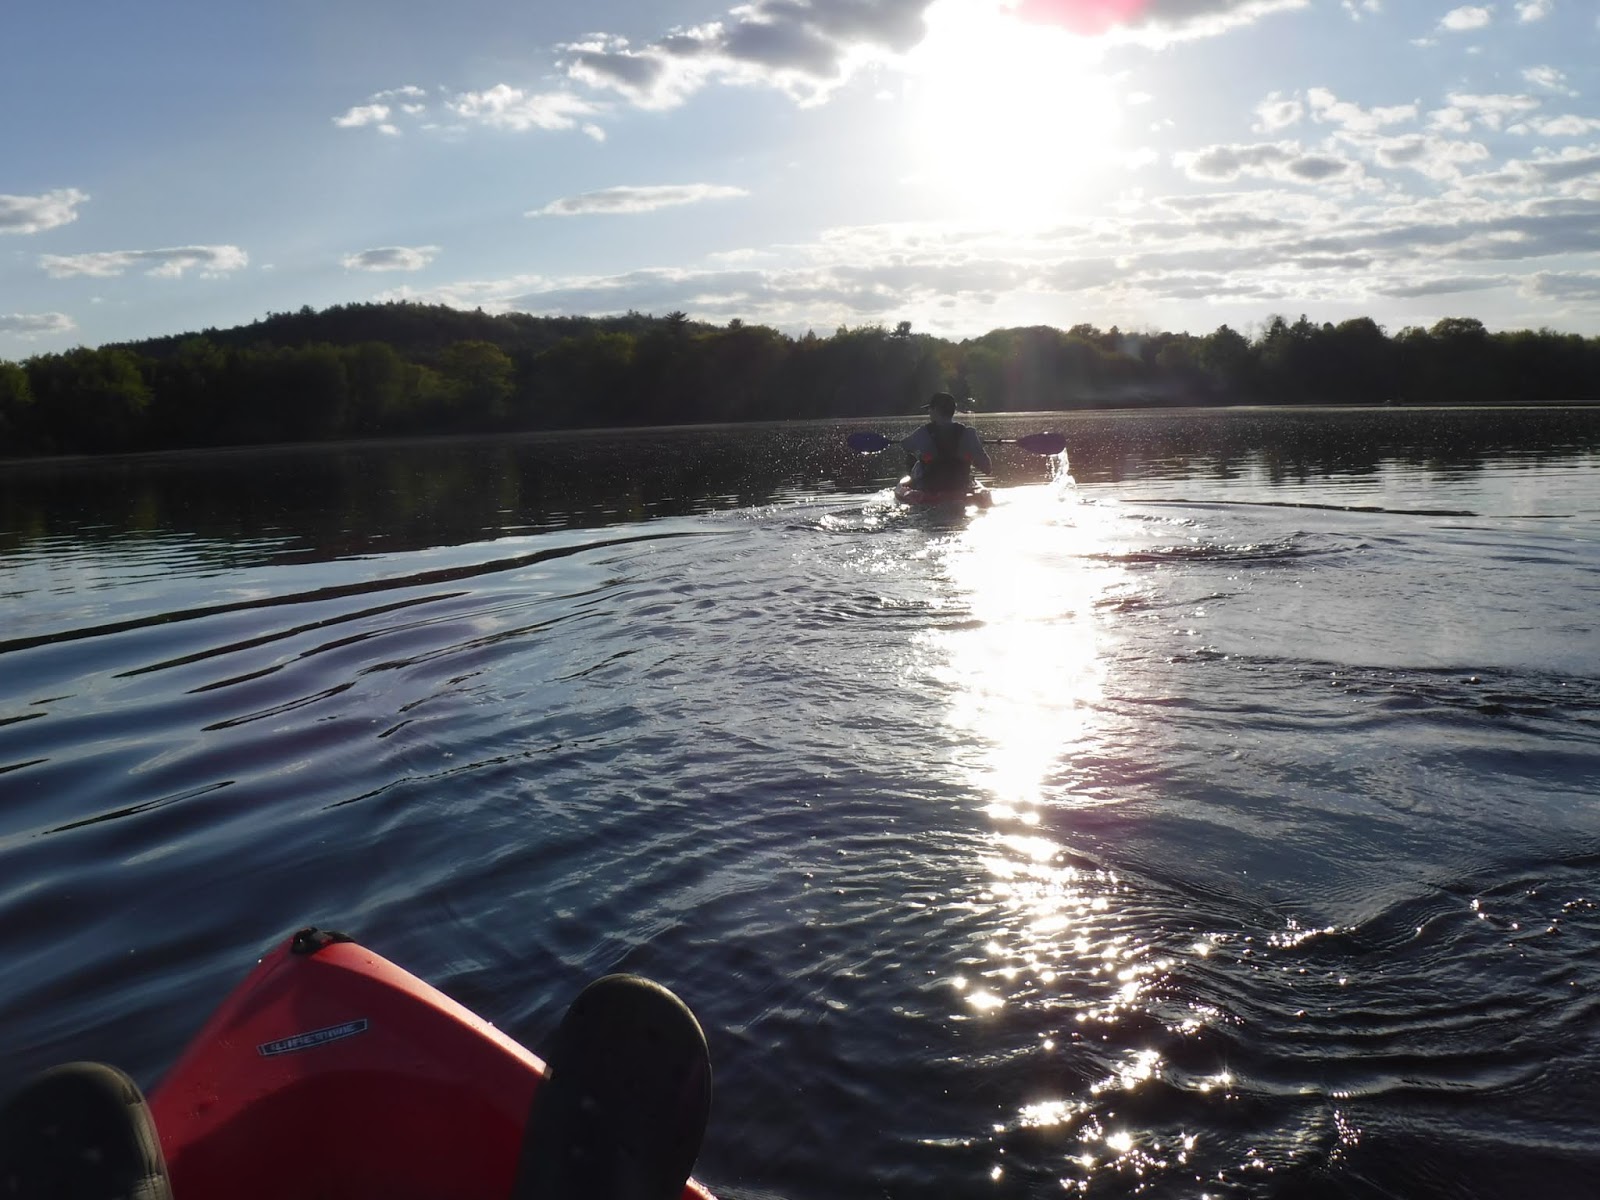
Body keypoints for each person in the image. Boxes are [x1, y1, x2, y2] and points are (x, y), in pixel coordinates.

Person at [899, 392, 991, 492]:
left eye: (929, 409)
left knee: (914, 460)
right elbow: (987, 468)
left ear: (935, 410)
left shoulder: (923, 432)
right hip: (959, 488)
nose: (929, 412)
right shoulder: (968, 434)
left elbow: (906, 446)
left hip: (930, 489)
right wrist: (974, 449)